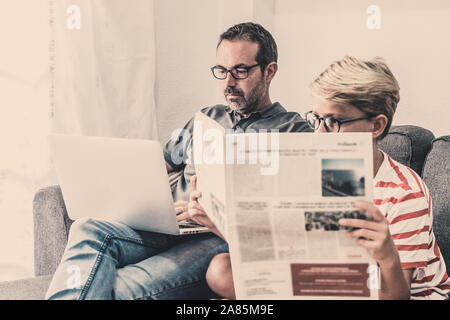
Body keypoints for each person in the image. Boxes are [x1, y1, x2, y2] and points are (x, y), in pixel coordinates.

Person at [45, 22, 311, 300]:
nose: (229, 83)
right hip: (169, 225)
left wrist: (217, 213)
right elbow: (157, 165)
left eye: (240, 71)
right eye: (221, 71)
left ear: (269, 71)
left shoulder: (293, 130)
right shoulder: (207, 118)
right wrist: (139, 197)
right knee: (87, 226)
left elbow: (291, 216)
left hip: (216, 238)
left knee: (119, 288)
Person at [190, 56, 450, 300]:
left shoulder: (405, 193)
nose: (320, 133)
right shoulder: (310, 170)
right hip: (327, 281)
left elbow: (397, 295)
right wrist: (217, 221)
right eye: (316, 119)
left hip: (395, 291)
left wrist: (388, 256)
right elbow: (278, 251)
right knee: (220, 270)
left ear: (376, 126)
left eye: (334, 121)